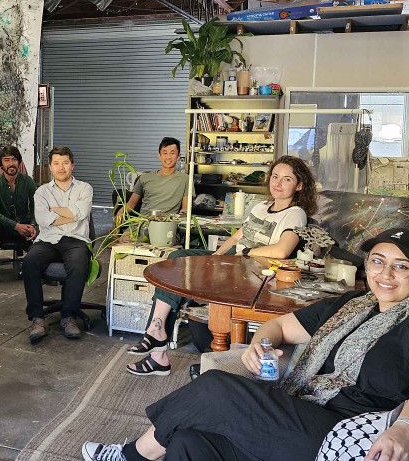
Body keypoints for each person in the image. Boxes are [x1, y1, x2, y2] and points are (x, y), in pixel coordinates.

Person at [83, 228, 409, 461]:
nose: (385, 274)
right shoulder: (350, 305)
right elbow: (280, 327)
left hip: (343, 432)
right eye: (377, 261)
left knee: (215, 388)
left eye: (401, 266)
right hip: (297, 410)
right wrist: (260, 344)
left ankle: (132, 455)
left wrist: (406, 429)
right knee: (188, 442)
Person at [127, 155, 317, 376]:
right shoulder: (261, 207)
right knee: (177, 259)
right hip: (233, 261)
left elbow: (281, 250)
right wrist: (215, 257)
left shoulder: (295, 214)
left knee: (179, 274)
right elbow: (237, 237)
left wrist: (246, 252)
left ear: (299, 185)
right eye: (275, 177)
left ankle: (157, 351)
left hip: (252, 272)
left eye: (287, 179)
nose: (278, 183)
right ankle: (156, 331)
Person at [22, 146, 93, 343]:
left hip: (75, 239)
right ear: (50, 167)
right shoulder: (41, 192)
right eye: (56, 163)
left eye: (65, 163)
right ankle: (37, 318)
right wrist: (71, 214)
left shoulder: (85, 188)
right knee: (29, 263)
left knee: (78, 264)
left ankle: (68, 317)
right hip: (48, 240)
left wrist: (54, 211)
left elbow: (81, 213)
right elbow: (43, 219)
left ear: (73, 165)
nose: (61, 167)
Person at [0, 146, 37, 287]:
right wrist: (15, 226)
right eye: (6, 160)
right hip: (4, 230)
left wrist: (33, 225)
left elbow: (37, 207)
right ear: (1, 164)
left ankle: (41, 267)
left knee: (43, 231)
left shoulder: (28, 182)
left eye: (14, 159)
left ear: (19, 162)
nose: (11, 163)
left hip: (24, 229)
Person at [114, 137, 187, 221]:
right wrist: (120, 213)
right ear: (159, 156)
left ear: (178, 156)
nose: (168, 157)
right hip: (142, 222)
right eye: (165, 153)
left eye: (172, 153)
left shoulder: (185, 179)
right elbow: (131, 204)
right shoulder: (144, 178)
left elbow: (185, 209)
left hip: (167, 223)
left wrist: (179, 218)